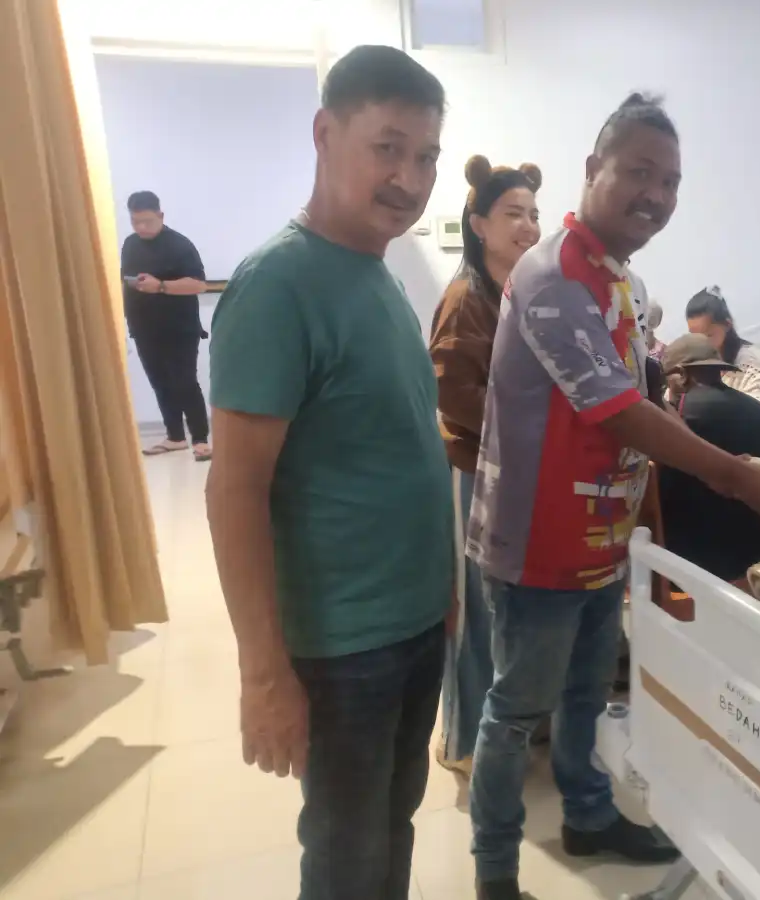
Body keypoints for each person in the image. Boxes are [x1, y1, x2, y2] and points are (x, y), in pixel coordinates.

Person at [466, 92, 760, 900]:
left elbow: (641, 397)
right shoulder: (553, 276)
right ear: (594, 169)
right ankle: (494, 872)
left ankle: (588, 817)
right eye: (640, 173)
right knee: (517, 711)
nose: (656, 195)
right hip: (537, 542)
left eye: (672, 181)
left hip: (601, 537)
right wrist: (734, 475)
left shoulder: (620, 278)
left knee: (587, 693)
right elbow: (616, 409)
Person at [205, 46, 452, 900]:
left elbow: (399, 450)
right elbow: (234, 491)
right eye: (388, 147)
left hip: (413, 626)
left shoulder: (378, 277)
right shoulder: (278, 285)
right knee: (347, 857)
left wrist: (443, 589)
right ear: (324, 134)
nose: (409, 179)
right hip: (345, 645)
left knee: (391, 827)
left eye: (426, 156)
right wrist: (263, 673)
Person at [428, 154, 542, 776]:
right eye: (512, 214)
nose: (527, 226)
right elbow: (451, 390)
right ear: (478, 224)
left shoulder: (524, 292)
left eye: (533, 214)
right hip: (473, 469)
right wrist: (521, 429)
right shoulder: (466, 296)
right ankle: (462, 740)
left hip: (516, 469)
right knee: (473, 606)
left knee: (507, 605)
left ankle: (506, 726)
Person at [658, 333, 760, 585]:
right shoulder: (758, 410)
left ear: (681, 375)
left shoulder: (682, 417)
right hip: (751, 551)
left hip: (694, 559)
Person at [120, 190, 212, 461]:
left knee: (185, 382)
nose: (141, 227)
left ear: (161, 215)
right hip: (143, 328)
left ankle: (200, 440)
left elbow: (199, 284)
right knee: (160, 383)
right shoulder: (130, 244)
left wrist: (160, 286)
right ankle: (175, 437)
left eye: (147, 221)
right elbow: (125, 279)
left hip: (179, 329)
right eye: (135, 221)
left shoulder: (179, 245)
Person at [685, 286, 760, 403]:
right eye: (695, 336)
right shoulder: (690, 359)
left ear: (727, 325)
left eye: (708, 335)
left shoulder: (750, 364)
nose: (701, 343)